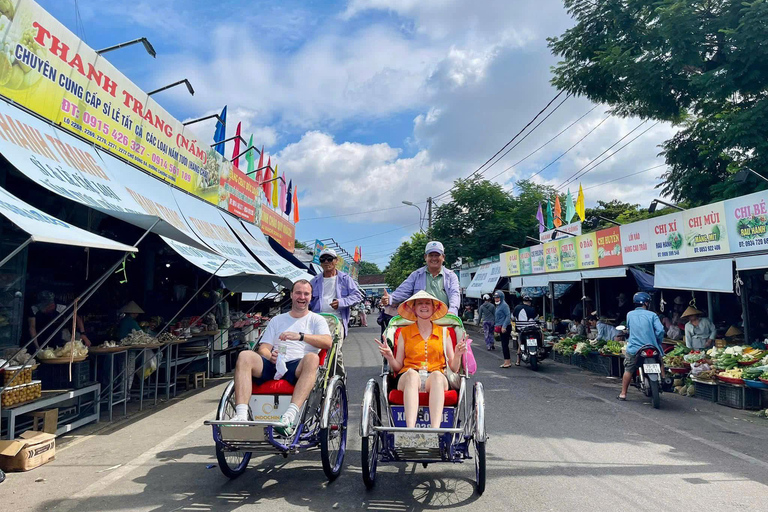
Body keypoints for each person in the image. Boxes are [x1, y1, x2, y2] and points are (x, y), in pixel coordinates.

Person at [232, 280, 332, 436]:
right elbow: (264, 347)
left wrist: (301, 336)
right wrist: (269, 356)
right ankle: (241, 415)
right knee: (245, 355)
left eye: (306, 294)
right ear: (291, 295)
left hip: (298, 366)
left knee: (312, 358)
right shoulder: (277, 320)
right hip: (275, 363)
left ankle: (290, 415)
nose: (302, 297)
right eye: (298, 293)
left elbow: (327, 342)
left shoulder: (316, 320)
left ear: (311, 297)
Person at [375, 291, 466, 428]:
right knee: (412, 374)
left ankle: (435, 431)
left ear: (434, 307)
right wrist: (389, 356)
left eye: (427, 303)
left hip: (436, 378)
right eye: (420, 304)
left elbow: (453, 367)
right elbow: (398, 367)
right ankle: (410, 430)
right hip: (408, 378)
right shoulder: (404, 333)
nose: (424, 306)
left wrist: (458, 354)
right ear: (414, 308)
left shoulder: (444, 332)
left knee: (436, 375)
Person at [380, 241, 461, 315]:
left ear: (443, 257)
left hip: (444, 318)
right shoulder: (416, 275)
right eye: (431, 255)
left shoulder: (451, 276)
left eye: (437, 255)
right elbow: (403, 291)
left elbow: (455, 294)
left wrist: (452, 311)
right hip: (421, 319)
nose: (434, 258)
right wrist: (390, 298)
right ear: (425, 257)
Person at [618, 292, 665, 400]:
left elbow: (629, 329)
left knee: (629, 369)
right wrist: (657, 340)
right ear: (646, 303)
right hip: (652, 347)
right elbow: (660, 330)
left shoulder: (629, 314)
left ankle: (623, 393)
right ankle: (663, 378)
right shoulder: (652, 315)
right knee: (660, 359)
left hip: (635, 348)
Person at [309, 248, 363, 337]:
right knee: (317, 349)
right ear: (320, 262)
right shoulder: (314, 281)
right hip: (317, 320)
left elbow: (357, 296)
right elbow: (308, 301)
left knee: (335, 349)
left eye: (329, 259)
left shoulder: (345, 279)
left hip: (337, 320)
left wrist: (341, 302)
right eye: (323, 259)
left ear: (336, 261)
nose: (326, 261)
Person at [512, 295, 538, 366]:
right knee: (540, 334)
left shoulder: (517, 308)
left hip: (521, 330)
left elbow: (513, 317)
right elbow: (536, 318)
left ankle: (518, 361)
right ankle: (541, 348)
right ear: (529, 302)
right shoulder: (532, 309)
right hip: (532, 329)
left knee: (520, 344)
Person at [494, 291, 513, 368]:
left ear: (501, 298)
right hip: (500, 327)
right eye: (495, 298)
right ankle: (507, 361)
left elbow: (508, 316)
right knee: (503, 344)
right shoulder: (498, 306)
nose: (496, 299)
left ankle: (507, 362)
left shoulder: (504, 306)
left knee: (505, 345)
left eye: (498, 298)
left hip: (505, 327)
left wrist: (504, 326)